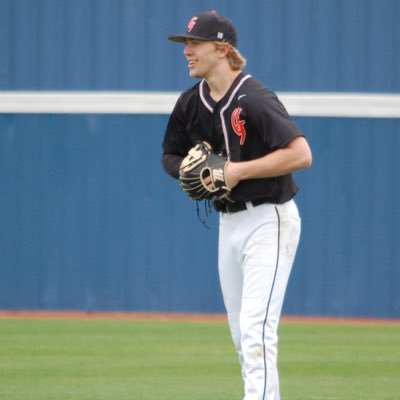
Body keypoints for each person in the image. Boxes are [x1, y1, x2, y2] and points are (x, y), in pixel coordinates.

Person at [161, 11, 312, 400]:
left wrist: (235, 171)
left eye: (194, 44)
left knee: (256, 330)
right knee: (242, 335)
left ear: (223, 48)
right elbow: (170, 156)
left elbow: (301, 154)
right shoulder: (190, 103)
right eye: (185, 44)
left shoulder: (254, 99)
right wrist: (192, 171)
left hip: (269, 219)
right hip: (229, 224)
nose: (187, 52)